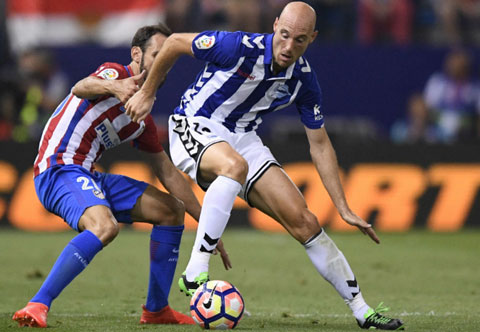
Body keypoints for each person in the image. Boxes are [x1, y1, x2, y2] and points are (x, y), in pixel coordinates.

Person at [125, 2, 404, 330]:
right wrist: (146, 93)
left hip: (243, 138)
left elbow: (320, 144)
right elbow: (173, 43)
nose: (288, 46)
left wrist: (342, 206)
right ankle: (196, 268)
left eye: (299, 40)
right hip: (194, 122)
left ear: (312, 38)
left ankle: (362, 310)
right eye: (284, 35)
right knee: (234, 166)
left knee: (305, 221)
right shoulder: (237, 47)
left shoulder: (303, 80)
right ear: (274, 26)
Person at [12, 23, 230, 328]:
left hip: (87, 174)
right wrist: (116, 87)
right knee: (105, 227)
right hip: (56, 168)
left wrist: (209, 227)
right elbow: (80, 87)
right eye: (157, 54)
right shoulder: (114, 73)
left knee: (171, 211)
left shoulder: (141, 123)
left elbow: (169, 173)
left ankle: (156, 310)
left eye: (169, 56)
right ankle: (37, 304)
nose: (163, 62)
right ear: (136, 54)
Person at [423, 48, 480, 143]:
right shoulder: (437, 82)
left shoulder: (475, 86)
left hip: (467, 131)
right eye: (452, 62)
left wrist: (462, 123)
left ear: (466, 65)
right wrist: (444, 120)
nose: (454, 66)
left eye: (459, 62)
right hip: (438, 128)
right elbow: (427, 109)